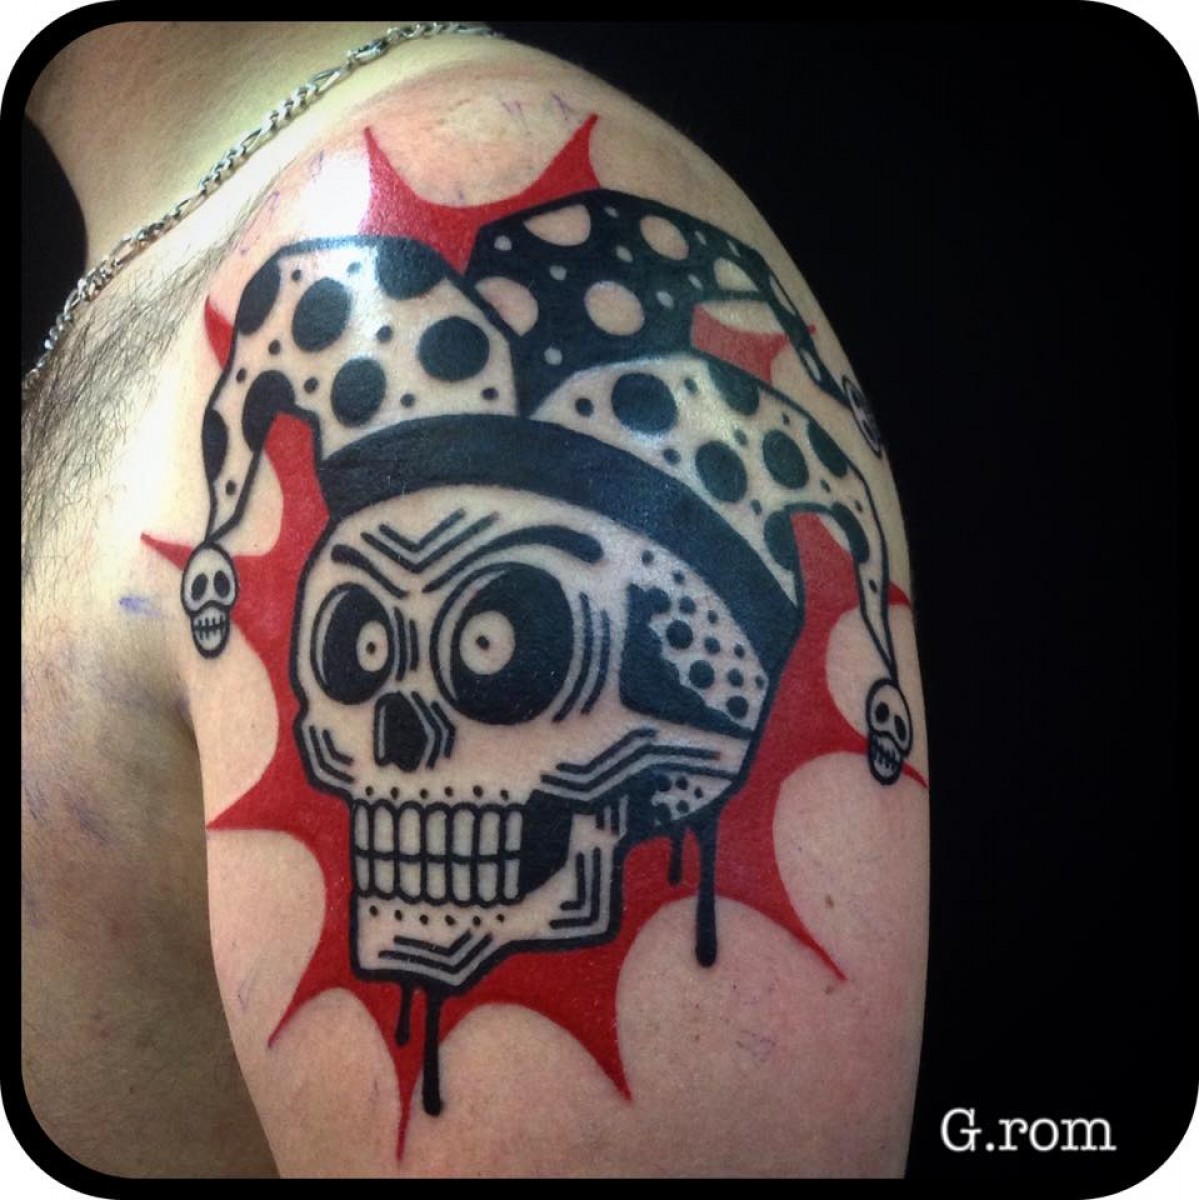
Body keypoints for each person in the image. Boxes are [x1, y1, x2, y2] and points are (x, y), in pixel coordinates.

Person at [21, 22, 929, 1177]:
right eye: (355, 646)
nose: (401, 736)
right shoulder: (145, 286)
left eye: (504, 644)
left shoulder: (404, 186)